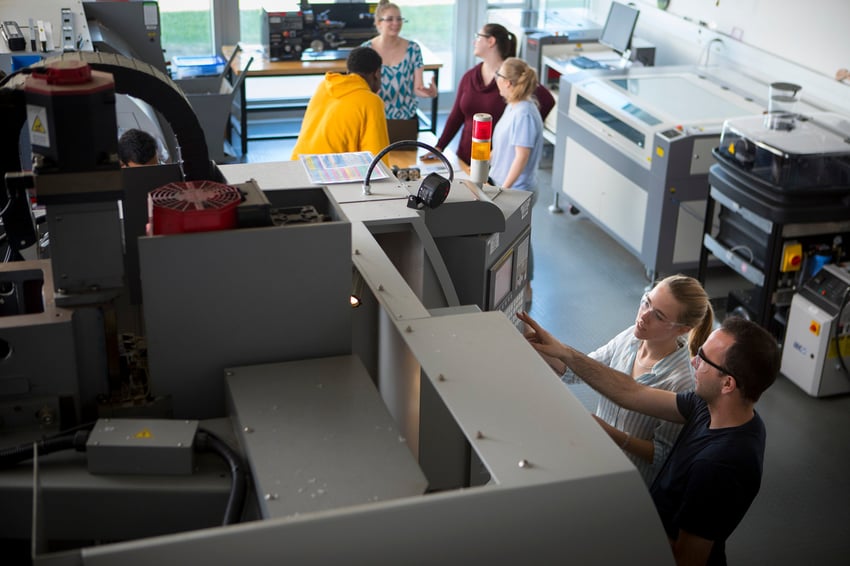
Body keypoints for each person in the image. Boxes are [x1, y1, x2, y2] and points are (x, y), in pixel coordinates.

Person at [519, 310, 781, 566]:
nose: (693, 362)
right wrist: (565, 352)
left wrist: (616, 521)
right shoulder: (713, 407)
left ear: (728, 384)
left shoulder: (720, 466)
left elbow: (686, 559)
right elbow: (631, 392)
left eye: (703, 358)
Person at [555, 275, 713, 486]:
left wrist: (611, 434)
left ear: (683, 329)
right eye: (646, 302)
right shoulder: (632, 337)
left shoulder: (683, 382)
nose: (643, 317)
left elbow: (663, 456)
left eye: (658, 316)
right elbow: (578, 371)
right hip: (597, 462)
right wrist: (535, 339)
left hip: (628, 484)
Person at [433, 23, 554, 165]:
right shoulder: (470, 76)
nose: (474, 41)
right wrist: (439, 147)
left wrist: (525, 132)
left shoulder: (512, 78)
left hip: (496, 163)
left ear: (491, 41)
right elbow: (456, 116)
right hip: (466, 157)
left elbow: (547, 100)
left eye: (478, 37)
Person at [291, 47, 389, 160]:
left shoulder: (324, 86)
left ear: (349, 72)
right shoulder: (371, 101)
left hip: (298, 165)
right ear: (376, 73)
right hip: (330, 172)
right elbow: (378, 158)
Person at [362, 0, 437, 125]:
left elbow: (418, 88)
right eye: (390, 19)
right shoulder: (366, 50)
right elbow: (361, 90)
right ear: (378, 23)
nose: (396, 23)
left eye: (399, 19)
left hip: (407, 118)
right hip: (375, 118)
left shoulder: (413, 49)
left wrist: (428, 93)